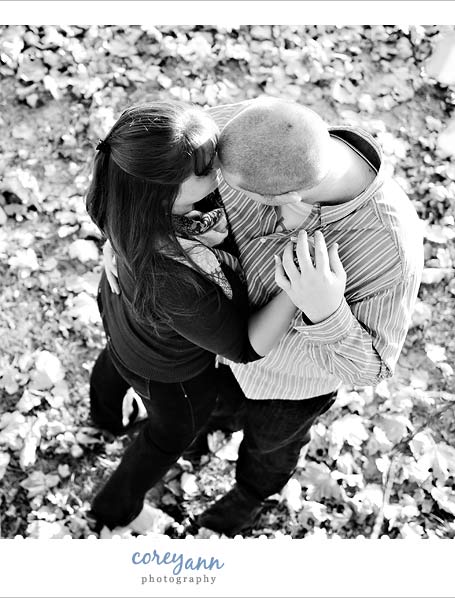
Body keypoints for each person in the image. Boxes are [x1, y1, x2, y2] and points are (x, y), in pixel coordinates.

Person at [103, 97, 424, 536]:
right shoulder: (248, 130)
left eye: (224, 188)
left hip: (287, 386)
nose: (214, 188)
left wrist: (326, 310)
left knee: (269, 451)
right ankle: (202, 440)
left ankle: (248, 500)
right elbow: (138, 163)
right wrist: (120, 240)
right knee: (206, 417)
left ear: (285, 199)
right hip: (210, 352)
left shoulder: (389, 248)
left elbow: (373, 367)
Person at [83, 100, 337, 533]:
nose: (218, 169)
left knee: (115, 363)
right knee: (167, 438)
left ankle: (104, 418)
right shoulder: (174, 276)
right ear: (164, 192)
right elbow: (244, 345)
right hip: (171, 376)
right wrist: (299, 289)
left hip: (121, 321)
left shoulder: (122, 196)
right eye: (205, 170)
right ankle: (116, 507)